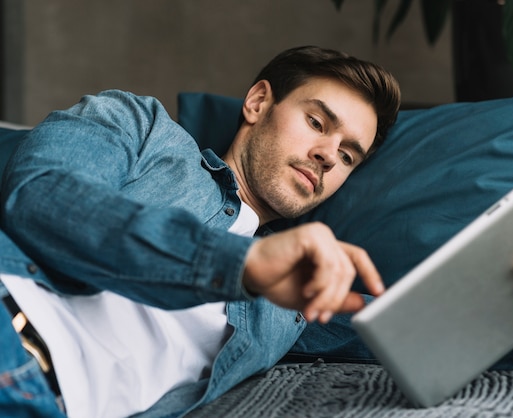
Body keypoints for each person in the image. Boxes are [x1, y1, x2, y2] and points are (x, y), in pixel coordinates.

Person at [0, 45, 400, 417]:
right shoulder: (142, 127)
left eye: (347, 156)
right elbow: (43, 198)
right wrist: (241, 264)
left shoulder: (290, 300)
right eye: (316, 122)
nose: (328, 156)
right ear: (258, 102)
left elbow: (395, 326)